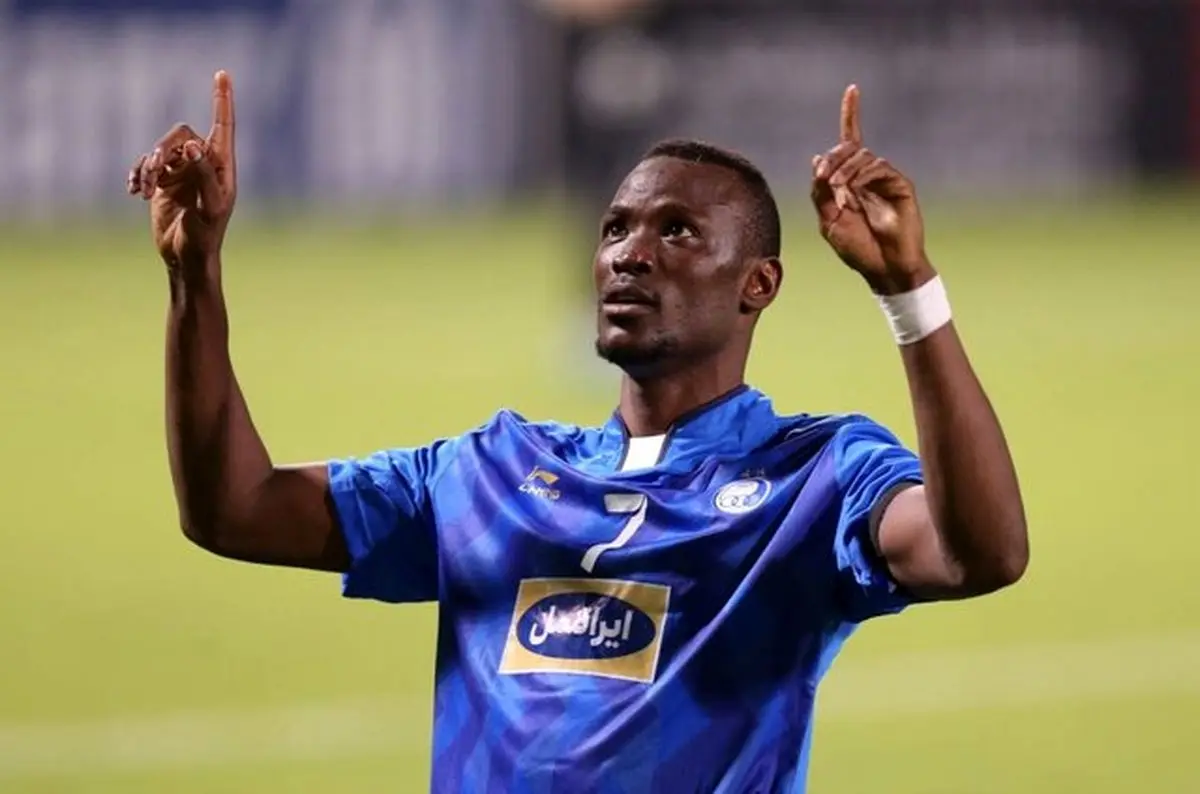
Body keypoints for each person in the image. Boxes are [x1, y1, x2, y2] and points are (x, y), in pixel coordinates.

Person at [127, 71, 1028, 794]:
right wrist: (193, 275)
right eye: (616, 229)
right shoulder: (489, 471)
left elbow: (980, 553)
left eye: (679, 233)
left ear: (756, 285)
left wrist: (908, 292)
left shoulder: (816, 476)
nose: (630, 253)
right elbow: (233, 508)